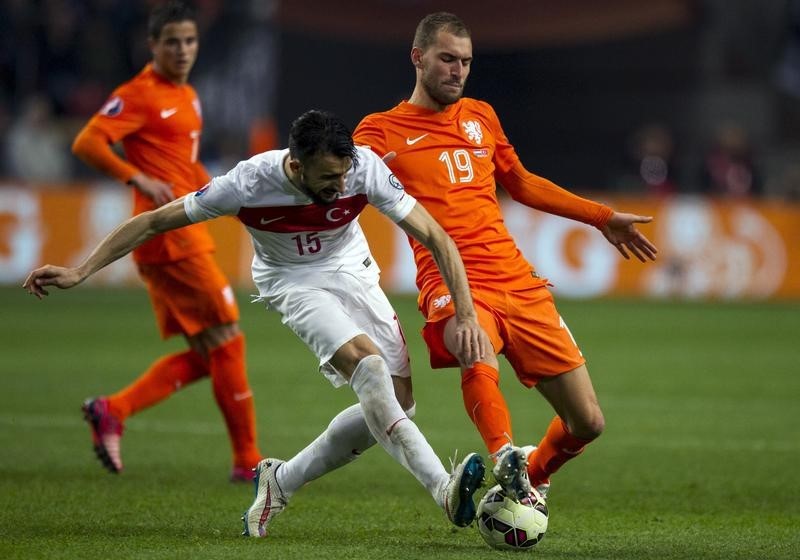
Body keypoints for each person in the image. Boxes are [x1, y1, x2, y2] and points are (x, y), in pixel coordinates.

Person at [24, 109, 490, 536]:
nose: (338, 186)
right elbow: (153, 222)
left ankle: (280, 480)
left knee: (396, 405)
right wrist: (80, 270)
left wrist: (466, 313)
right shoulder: (247, 183)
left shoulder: (362, 168)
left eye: (343, 174)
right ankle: (444, 492)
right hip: (292, 281)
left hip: (352, 269)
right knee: (368, 370)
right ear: (296, 165)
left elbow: (434, 235)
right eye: (327, 178)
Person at [353, 12, 658, 502]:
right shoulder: (380, 132)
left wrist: (601, 217)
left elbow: (521, 183)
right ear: (418, 57)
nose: (457, 70)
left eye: (466, 62)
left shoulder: (480, 116)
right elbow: (337, 187)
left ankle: (528, 478)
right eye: (447, 58)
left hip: (518, 280)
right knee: (475, 348)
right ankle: (504, 457)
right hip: (451, 283)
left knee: (588, 421)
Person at [69, 1, 262, 481]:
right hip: (169, 238)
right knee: (228, 342)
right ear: (152, 45)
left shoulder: (188, 95)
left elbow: (188, 167)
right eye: (172, 42)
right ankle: (248, 463)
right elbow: (88, 142)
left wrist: (236, 203)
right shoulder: (138, 94)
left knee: (208, 356)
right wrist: (136, 176)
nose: (182, 50)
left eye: (190, 41)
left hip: (184, 232)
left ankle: (113, 409)